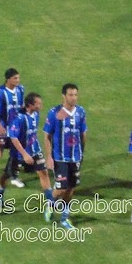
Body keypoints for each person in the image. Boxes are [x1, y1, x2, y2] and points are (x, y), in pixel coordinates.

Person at [0, 93, 54, 218]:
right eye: (38, 103)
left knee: (43, 173)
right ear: (31, 105)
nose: (41, 105)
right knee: (6, 176)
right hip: (19, 154)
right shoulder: (19, 118)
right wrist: (25, 154)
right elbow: (14, 138)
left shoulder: (36, 114)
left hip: (35, 150)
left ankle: (50, 202)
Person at [43, 83, 87, 229]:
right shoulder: (54, 113)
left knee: (71, 188)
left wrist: (82, 152)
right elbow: (47, 136)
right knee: (61, 188)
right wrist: (49, 157)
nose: (74, 98)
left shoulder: (81, 112)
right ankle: (51, 203)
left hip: (76, 157)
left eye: (75, 94)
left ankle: (64, 217)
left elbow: (83, 133)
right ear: (63, 96)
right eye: (70, 95)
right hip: (60, 157)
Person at [0, 68, 25, 187]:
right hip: (4, 128)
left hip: (16, 128)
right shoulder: (0, 92)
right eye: (15, 78)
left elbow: (21, 106)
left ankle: (14, 177)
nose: (18, 80)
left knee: (16, 152)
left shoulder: (20, 89)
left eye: (18, 78)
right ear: (8, 79)